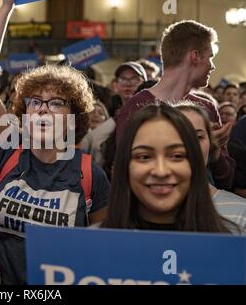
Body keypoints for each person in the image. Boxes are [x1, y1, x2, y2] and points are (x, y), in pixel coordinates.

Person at [0, 0, 110, 284]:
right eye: (35, 102)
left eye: (56, 102)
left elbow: (99, 255)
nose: (43, 109)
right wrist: (6, 7)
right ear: (25, 112)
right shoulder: (9, 150)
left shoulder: (90, 175)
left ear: (73, 116)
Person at [115, 20, 235, 190]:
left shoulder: (206, 107)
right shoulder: (137, 107)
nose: (212, 66)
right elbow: (128, 174)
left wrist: (215, 154)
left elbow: (226, 181)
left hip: (202, 210)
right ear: (195, 56)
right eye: (210, 57)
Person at [102, 103, 229, 233]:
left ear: (194, 163)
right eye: (144, 157)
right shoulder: (90, 246)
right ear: (124, 165)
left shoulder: (234, 244)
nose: (161, 172)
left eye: (176, 156)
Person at [176, 103, 246, 233]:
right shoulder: (137, 211)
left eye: (198, 137)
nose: (190, 144)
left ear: (211, 143)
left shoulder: (241, 214)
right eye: (179, 135)